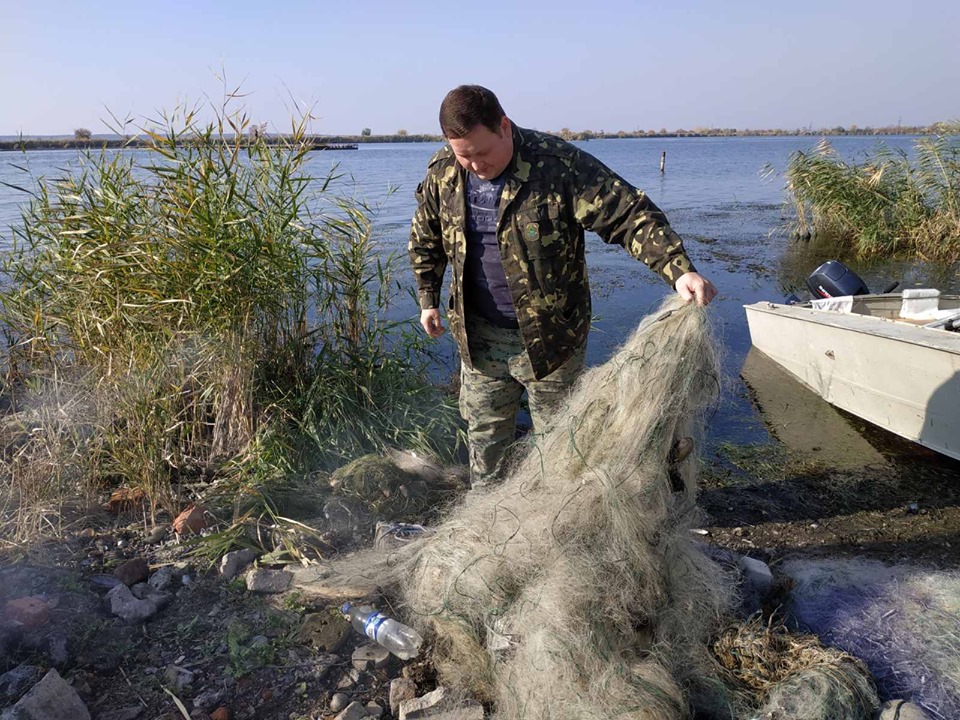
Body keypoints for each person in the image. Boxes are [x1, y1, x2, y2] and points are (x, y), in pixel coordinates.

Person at [409, 85, 716, 485]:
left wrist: (679, 271)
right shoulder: (444, 173)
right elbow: (426, 237)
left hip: (551, 341)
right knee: (485, 444)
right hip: (479, 339)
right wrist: (428, 298)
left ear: (504, 126)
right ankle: (490, 519)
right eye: (463, 155)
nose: (475, 165)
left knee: (560, 445)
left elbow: (628, 214)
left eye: (481, 153)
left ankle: (554, 522)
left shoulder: (558, 166)